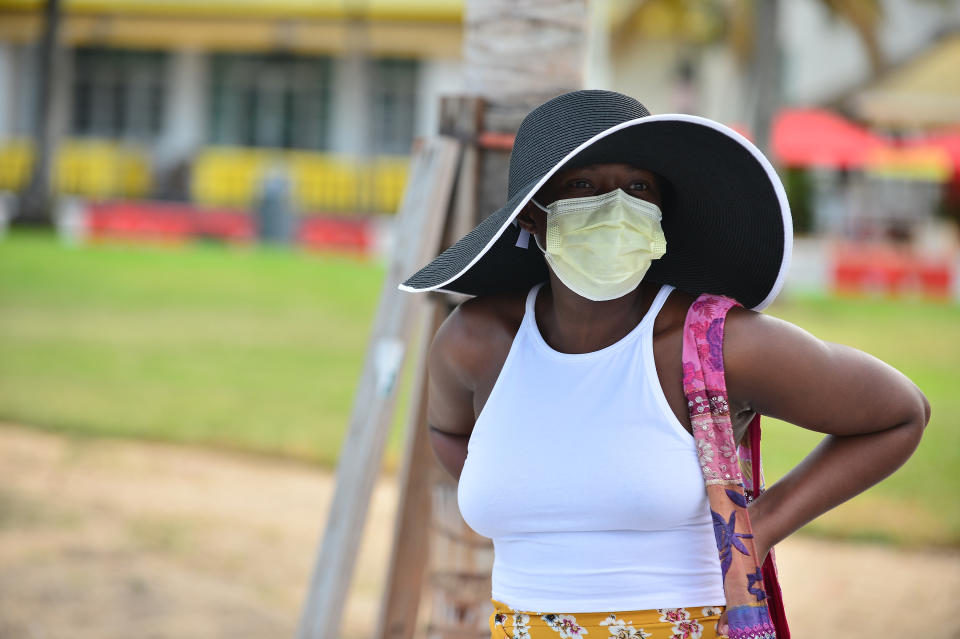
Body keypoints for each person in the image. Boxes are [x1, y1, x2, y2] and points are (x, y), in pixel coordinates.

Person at [400, 90, 929, 639]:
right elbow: (448, 431)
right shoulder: (476, 342)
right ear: (533, 215)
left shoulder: (714, 344)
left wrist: (757, 529)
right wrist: (555, 491)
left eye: (638, 187)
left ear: (659, 216)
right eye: (582, 185)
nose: (615, 204)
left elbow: (899, 414)